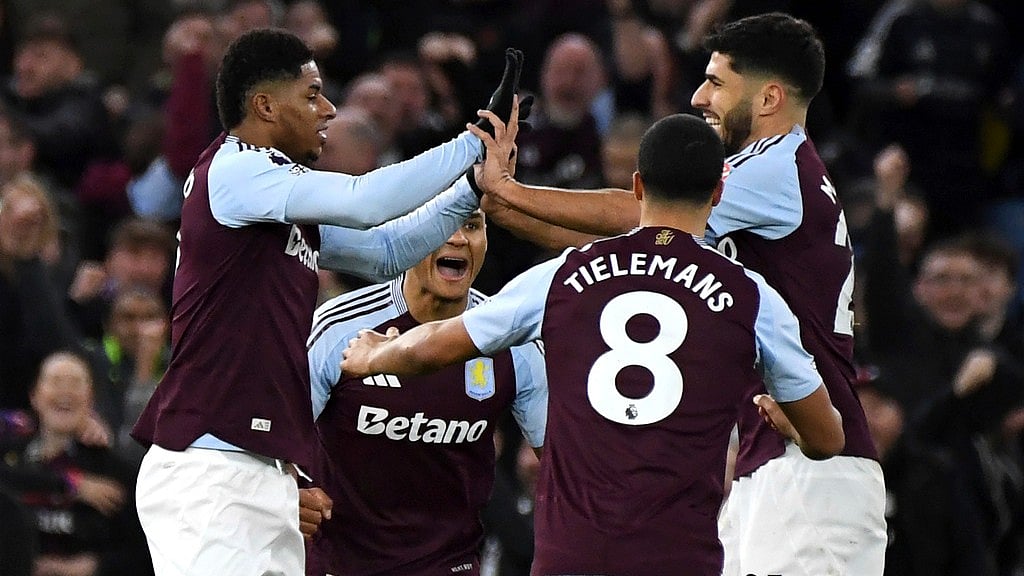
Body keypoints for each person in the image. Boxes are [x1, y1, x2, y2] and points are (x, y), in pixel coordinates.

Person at [471, 13, 887, 574]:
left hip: (812, 474)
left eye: (716, 82)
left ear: (768, 99)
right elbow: (627, 251)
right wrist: (507, 209)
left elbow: (635, 213)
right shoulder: (773, 178)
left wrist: (512, 190)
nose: (698, 96)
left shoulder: (773, 171)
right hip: (773, 464)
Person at [342, 112, 844, 576]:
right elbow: (828, 439)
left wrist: (372, 355)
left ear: (637, 185)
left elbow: (432, 348)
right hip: (679, 558)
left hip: (571, 557)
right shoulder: (752, 296)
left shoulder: (564, 274)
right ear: (718, 192)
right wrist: (788, 422)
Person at [128, 28, 527, 576]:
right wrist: (471, 142)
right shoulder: (235, 170)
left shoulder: (275, 198)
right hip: (210, 465)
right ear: (265, 105)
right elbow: (364, 203)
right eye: (312, 95)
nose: (329, 109)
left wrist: (473, 187)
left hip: (262, 469)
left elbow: (388, 249)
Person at [302, 209, 547, 576]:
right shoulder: (339, 327)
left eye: (472, 225)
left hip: (449, 564)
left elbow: (564, 467)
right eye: (443, 224)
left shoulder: (514, 340)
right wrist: (293, 493)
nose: (459, 239)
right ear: (405, 236)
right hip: (339, 563)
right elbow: (277, 440)